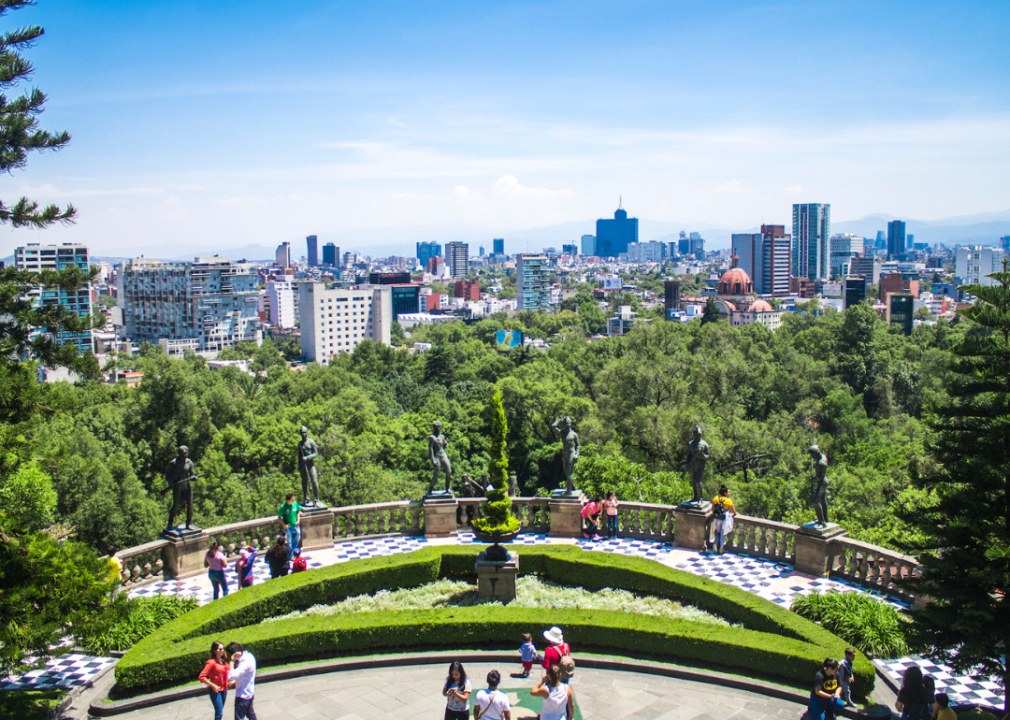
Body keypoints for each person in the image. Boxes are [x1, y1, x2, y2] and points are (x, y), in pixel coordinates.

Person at [166, 445, 198, 530]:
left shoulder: (189, 462)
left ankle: (188, 523)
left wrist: (194, 478)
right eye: (183, 453)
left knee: (190, 505)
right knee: (176, 505)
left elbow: (192, 474)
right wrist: (170, 483)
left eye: (186, 453)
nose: (185, 455)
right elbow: (168, 474)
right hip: (177, 487)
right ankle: (170, 523)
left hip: (187, 486)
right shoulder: (173, 463)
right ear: (179, 454)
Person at [198, 641, 230, 720]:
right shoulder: (211, 662)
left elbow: (229, 671)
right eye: (220, 649)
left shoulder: (224, 660)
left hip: (224, 689)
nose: (222, 651)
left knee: (220, 711)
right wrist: (212, 685)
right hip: (216, 691)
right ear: (214, 651)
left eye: (223, 649)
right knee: (219, 713)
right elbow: (201, 676)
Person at [226, 641, 257, 720]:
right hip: (249, 694)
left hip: (243, 696)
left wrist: (232, 660)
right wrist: (236, 682)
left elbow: (231, 675)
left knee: (239, 718)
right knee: (251, 716)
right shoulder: (249, 656)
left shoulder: (244, 663)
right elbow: (245, 675)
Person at [706, 486, 737, 554]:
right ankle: (721, 548)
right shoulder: (728, 501)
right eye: (728, 492)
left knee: (717, 531)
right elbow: (734, 511)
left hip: (717, 518)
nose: (729, 493)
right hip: (724, 518)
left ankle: (715, 543)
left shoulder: (716, 498)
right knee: (722, 533)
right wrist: (733, 514)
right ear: (725, 493)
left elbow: (712, 508)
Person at [297, 426, 321, 506]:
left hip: (311, 465)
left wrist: (307, 457)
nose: (303, 434)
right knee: (304, 482)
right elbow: (299, 456)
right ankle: (306, 498)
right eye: (302, 433)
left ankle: (316, 499)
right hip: (303, 466)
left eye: (304, 432)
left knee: (314, 481)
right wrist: (299, 465)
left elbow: (316, 453)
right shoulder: (300, 444)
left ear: (307, 432)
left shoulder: (311, 442)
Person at [427, 420, 453, 494]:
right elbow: (430, 449)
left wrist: (446, 445)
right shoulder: (432, 437)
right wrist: (433, 460)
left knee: (449, 471)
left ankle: (447, 488)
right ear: (434, 428)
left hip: (443, 454)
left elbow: (445, 443)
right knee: (436, 474)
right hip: (436, 456)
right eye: (436, 427)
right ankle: (430, 489)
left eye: (439, 427)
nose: (438, 428)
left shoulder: (442, 436)